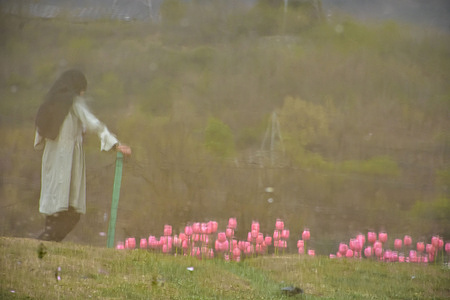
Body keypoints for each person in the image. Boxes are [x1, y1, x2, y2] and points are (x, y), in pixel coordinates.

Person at [34, 69, 131, 242]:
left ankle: (46, 241)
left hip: (51, 157)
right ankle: (44, 241)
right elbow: (93, 123)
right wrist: (114, 143)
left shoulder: (50, 102)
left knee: (55, 206)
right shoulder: (73, 101)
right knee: (71, 210)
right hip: (68, 159)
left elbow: (40, 132)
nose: (83, 93)